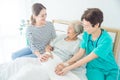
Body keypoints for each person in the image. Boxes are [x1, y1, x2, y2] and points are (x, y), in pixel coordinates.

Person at [0, 21, 87, 80]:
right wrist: (48, 53)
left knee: (28, 72)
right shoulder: (61, 37)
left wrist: (64, 65)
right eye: (68, 27)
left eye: (70, 29)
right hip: (47, 56)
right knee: (19, 62)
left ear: (76, 33)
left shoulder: (78, 44)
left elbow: (75, 60)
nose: (67, 30)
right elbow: (48, 46)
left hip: (56, 62)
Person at [56, 8, 119, 80]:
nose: (84, 29)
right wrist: (65, 64)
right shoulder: (86, 34)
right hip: (93, 68)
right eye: (83, 25)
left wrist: (68, 68)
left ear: (96, 25)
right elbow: (80, 53)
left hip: (109, 68)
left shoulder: (106, 40)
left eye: (87, 26)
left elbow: (88, 58)